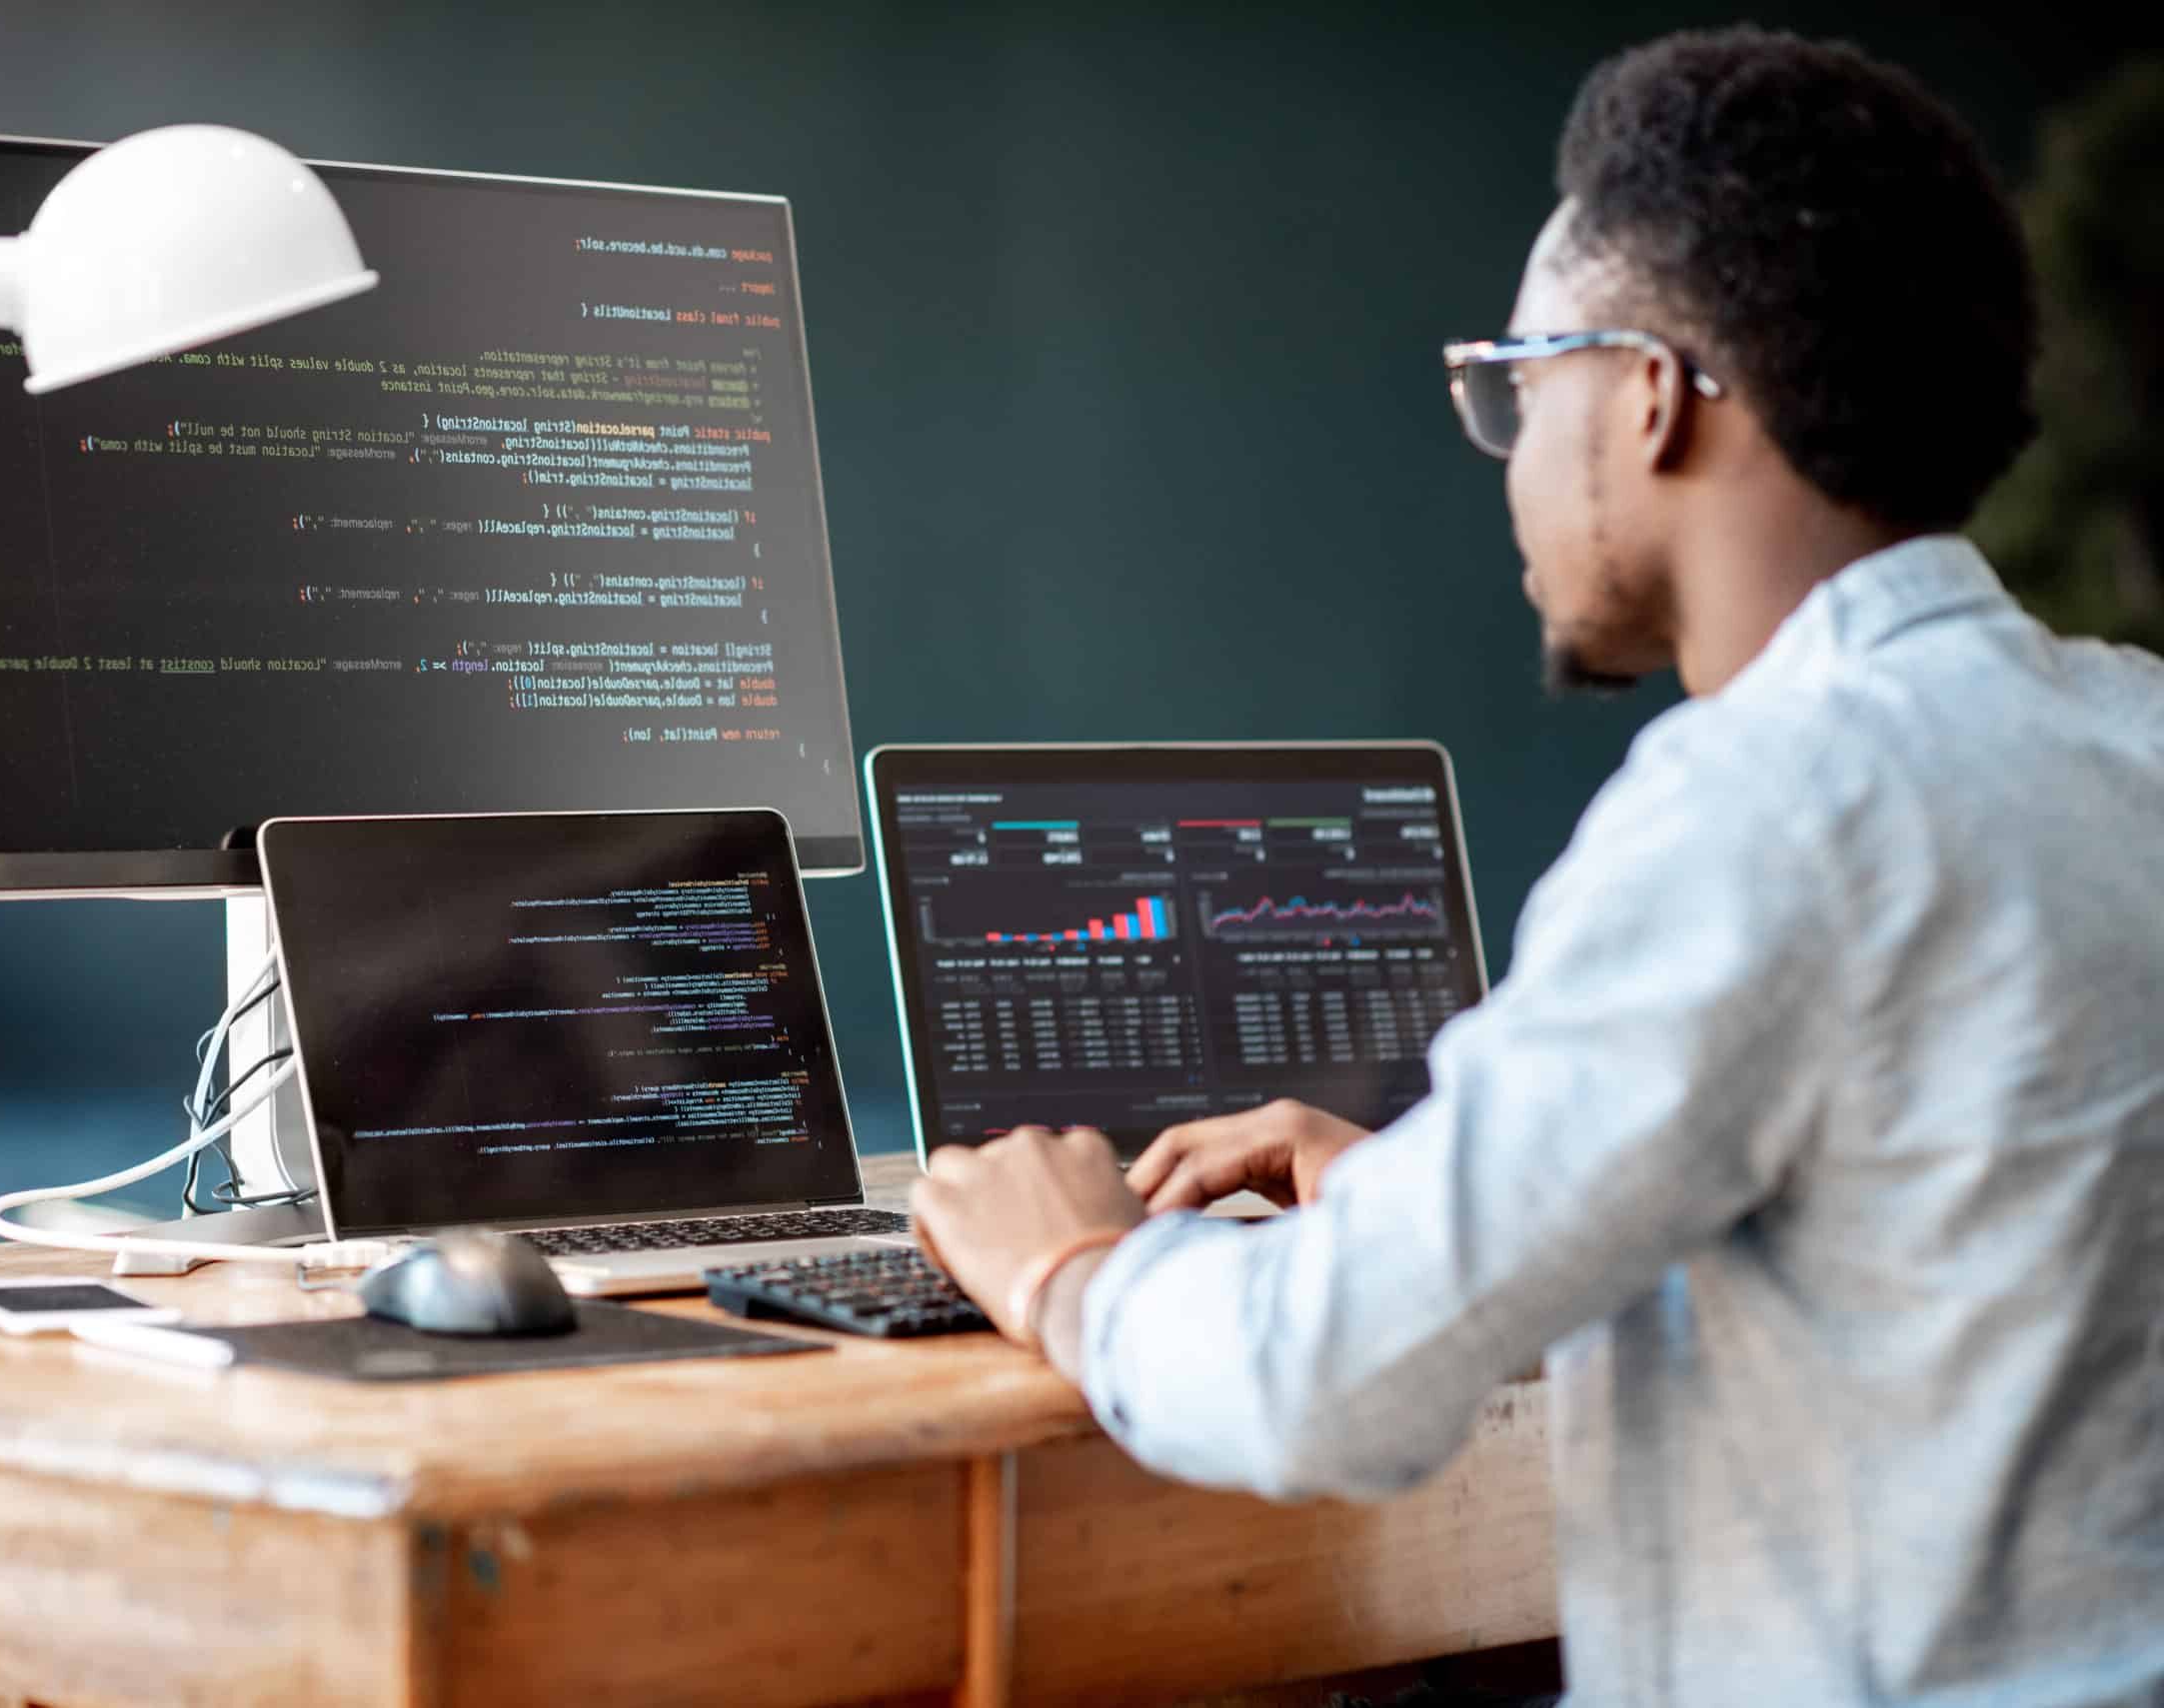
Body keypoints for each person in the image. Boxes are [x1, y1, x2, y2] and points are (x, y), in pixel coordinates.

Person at [911, 26, 2164, 1706]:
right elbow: (1934, 1253)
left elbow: (1319, 1386)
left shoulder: (1769, 802)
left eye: (1519, 388)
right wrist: (1421, 1201)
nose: (1509, 460)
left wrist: (1071, 1263)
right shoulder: (2127, 737)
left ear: (1647, 394)